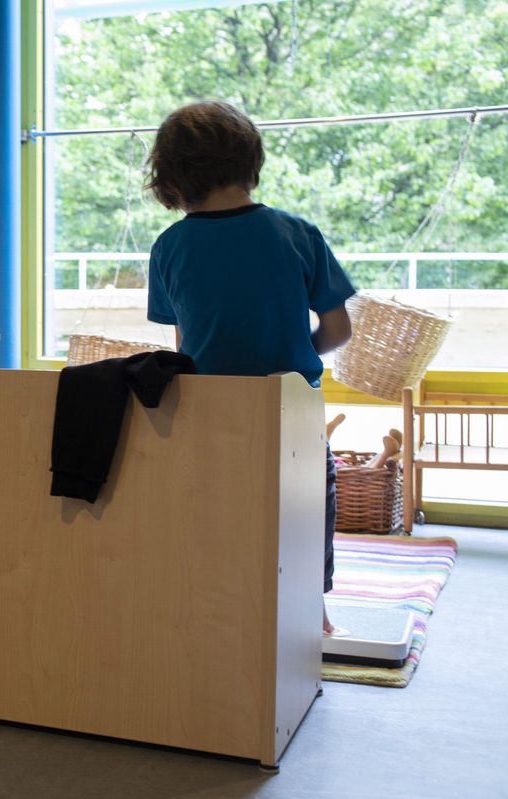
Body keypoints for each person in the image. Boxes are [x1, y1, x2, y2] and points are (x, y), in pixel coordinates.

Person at [143, 100, 356, 635]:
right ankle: (315, 612)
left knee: (221, 511)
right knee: (307, 509)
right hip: (292, 408)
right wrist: (292, 346)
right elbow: (338, 331)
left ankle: (221, 608)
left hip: (210, 410)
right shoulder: (298, 233)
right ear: (249, 161)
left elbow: (185, 344)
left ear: (170, 178)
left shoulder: (169, 247)